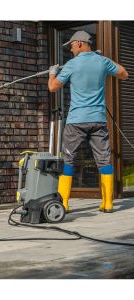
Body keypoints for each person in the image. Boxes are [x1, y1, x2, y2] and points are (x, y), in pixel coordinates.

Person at [48, 30, 128, 213]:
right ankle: (108, 203)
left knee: (68, 159)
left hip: (76, 120)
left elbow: (53, 87)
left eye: (71, 46)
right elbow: (124, 74)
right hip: (98, 119)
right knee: (104, 160)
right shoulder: (102, 61)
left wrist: (53, 73)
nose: (70, 49)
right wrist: (103, 60)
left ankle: (64, 203)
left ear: (79, 44)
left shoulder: (72, 65)